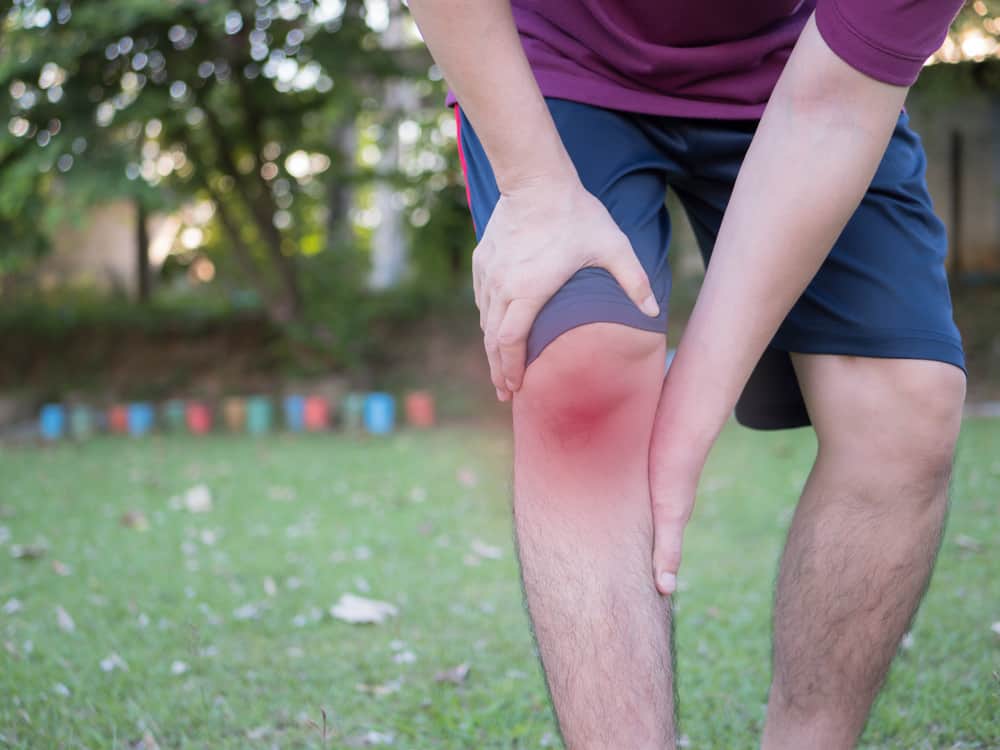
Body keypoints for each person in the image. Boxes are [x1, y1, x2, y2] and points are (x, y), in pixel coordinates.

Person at [407, 1, 968, 747]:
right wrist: (537, 191)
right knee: (582, 375)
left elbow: (830, 109)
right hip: (557, 55)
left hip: (810, 65)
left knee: (908, 403)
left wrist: (684, 431)